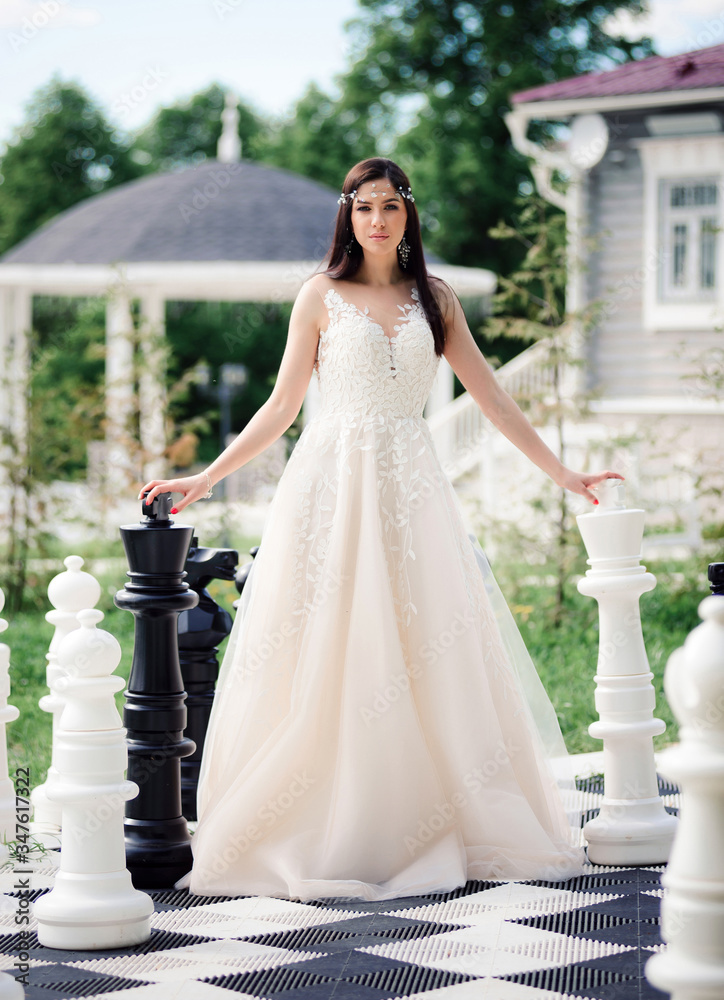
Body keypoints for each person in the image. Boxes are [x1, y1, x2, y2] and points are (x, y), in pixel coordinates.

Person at [139, 157, 623, 903]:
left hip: (412, 487)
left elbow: (491, 400)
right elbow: (279, 407)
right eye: (364, 207)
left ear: (407, 214)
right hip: (333, 485)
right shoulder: (319, 296)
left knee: (426, 639)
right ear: (347, 214)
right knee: (335, 642)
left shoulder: (436, 300)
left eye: (390, 206)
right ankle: (328, 819)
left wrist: (567, 476)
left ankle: (432, 811)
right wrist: (205, 478)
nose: (377, 220)